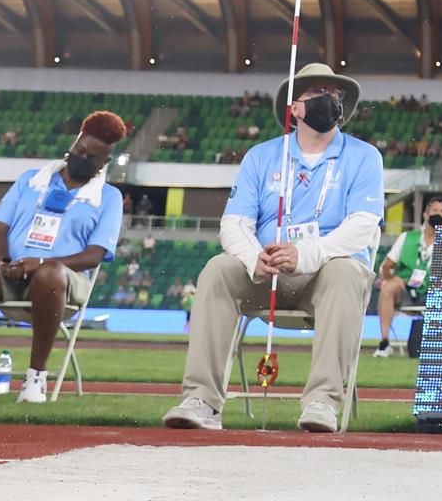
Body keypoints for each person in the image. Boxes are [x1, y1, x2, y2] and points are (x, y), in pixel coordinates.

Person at [163, 65, 381, 434]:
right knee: (217, 269)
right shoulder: (262, 156)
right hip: (267, 272)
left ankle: (322, 401)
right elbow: (234, 224)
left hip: (326, 273)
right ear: (295, 108)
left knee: (346, 270)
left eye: (336, 94)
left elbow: (363, 226)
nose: (330, 101)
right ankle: (202, 400)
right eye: (318, 94)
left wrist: (306, 254)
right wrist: (253, 259)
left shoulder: (364, 156)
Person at [0, 111, 129, 403]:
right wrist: (3, 263)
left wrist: (40, 264)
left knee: (49, 273)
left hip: (65, 283)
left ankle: (36, 377)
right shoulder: (30, 180)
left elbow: (95, 255)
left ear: (104, 163)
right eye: (80, 150)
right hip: (13, 275)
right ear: (73, 144)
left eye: (93, 157)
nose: (83, 158)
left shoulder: (109, 197)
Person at [372, 195, 442, 360]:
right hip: (406, 291)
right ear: (426, 214)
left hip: (433, 292)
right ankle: (384, 342)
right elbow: (386, 267)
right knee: (388, 287)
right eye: (435, 210)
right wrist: (392, 278)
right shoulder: (407, 237)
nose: (439, 214)